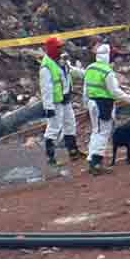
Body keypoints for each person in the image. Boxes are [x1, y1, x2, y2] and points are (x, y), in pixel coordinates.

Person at [83, 43, 130, 175]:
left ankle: (92, 160)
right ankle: (97, 162)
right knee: (103, 133)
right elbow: (115, 91)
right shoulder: (107, 72)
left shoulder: (90, 68)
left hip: (92, 103)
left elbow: (85, 88)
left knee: (96, 131)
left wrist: (86, 104)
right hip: (103, 105)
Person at [38, 36, 83, 165]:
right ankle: (50, 158)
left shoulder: (61, 60)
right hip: (56, 102)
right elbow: (46, 89)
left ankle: (73, 152)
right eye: (58, 47)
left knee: (70, 124)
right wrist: (49, 108)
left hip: (66, 99)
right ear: (51, 48)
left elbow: (72, 71)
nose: (61, 49)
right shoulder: (46, 67)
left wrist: (87, 74)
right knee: (53, 128)